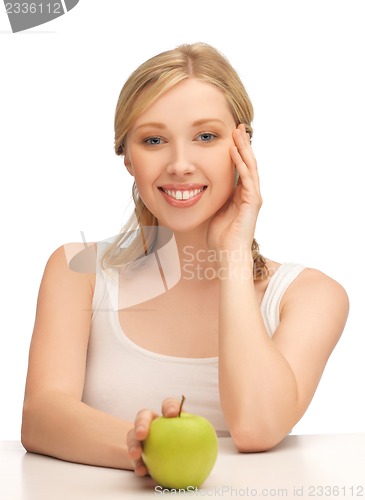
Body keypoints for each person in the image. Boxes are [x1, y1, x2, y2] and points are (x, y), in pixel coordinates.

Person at [21, 42, 349, 477]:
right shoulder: (77, 271)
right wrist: (141, 445)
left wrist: (232, 255)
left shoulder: (310, 296)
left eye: (206, 137)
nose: (179, 164)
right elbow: (41, 416)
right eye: (153, 140)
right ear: (128, 158)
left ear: (242, 145)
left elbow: (256, 427)